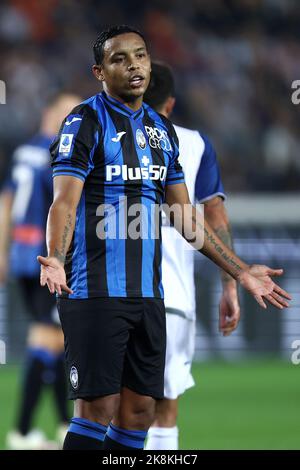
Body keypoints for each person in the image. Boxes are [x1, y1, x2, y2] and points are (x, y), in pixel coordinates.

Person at [37, 25, 291, 451]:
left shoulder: (162, 132)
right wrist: (57, 257)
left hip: (147, 294)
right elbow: (64, 201)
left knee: (140, 412)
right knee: (97, 408)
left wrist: (240, 271)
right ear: (99, 71)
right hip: (94, 289)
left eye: (140, 55)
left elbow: (186, 218)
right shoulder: (84, 121)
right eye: (120, 58)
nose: (134, 65)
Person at [143, 62, 240, 450]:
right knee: (165, 407)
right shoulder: (194, 143)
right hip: (174, 298)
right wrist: (230, 286)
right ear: (170, 102)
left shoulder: (104, 133)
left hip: (112, 293)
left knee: (109, 407)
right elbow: (215, 217)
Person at [0, 93, 81, 450]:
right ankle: (21, 430)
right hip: (42, 258)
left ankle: (64, 425)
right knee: (46, 339)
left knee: (58, 340)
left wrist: (2, 251)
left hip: (21, 254)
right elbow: (63, 207)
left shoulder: (25, 151)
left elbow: (6, 203)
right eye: (69, 113)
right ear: (52, 114)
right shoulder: (56, 153)